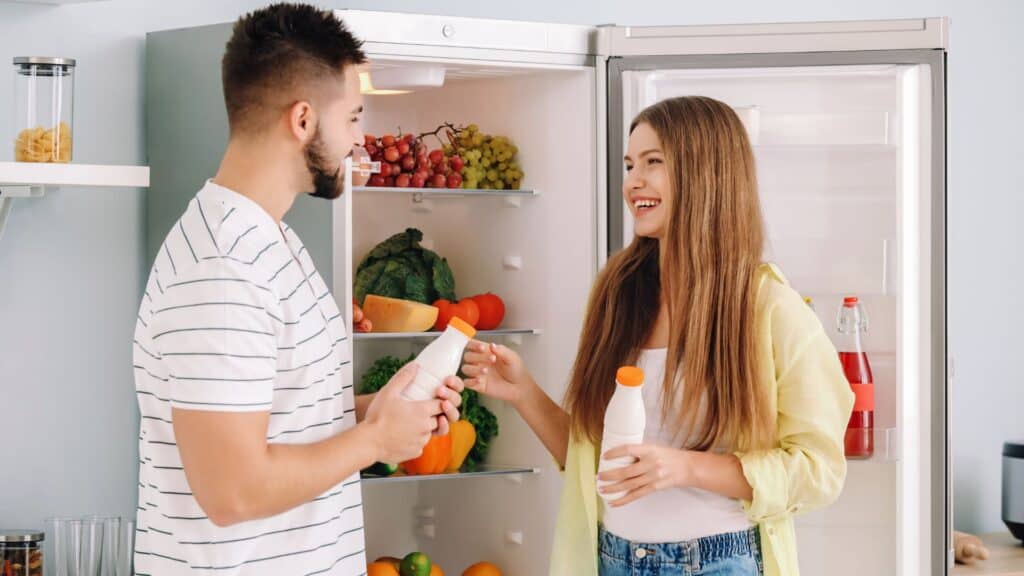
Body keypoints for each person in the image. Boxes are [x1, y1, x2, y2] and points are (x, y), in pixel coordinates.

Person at [463, 96, 854, 575]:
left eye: (654, 163)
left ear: (707, 175)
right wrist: (522, 391)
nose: (633, 182)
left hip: (716, 562)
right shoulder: (618, 293)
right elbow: (598, 464)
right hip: (613, 559)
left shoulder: (769, 308)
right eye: (629, 164)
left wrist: (686, 468)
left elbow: (819, 471)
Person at [131, 4, 462, 574]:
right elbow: (232, 492)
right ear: (303, 120)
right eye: (354, 117)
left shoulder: (271, 239)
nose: (361, 139)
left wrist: (376, 414)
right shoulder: (223, 266)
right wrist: (377, 442)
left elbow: (281, 424)